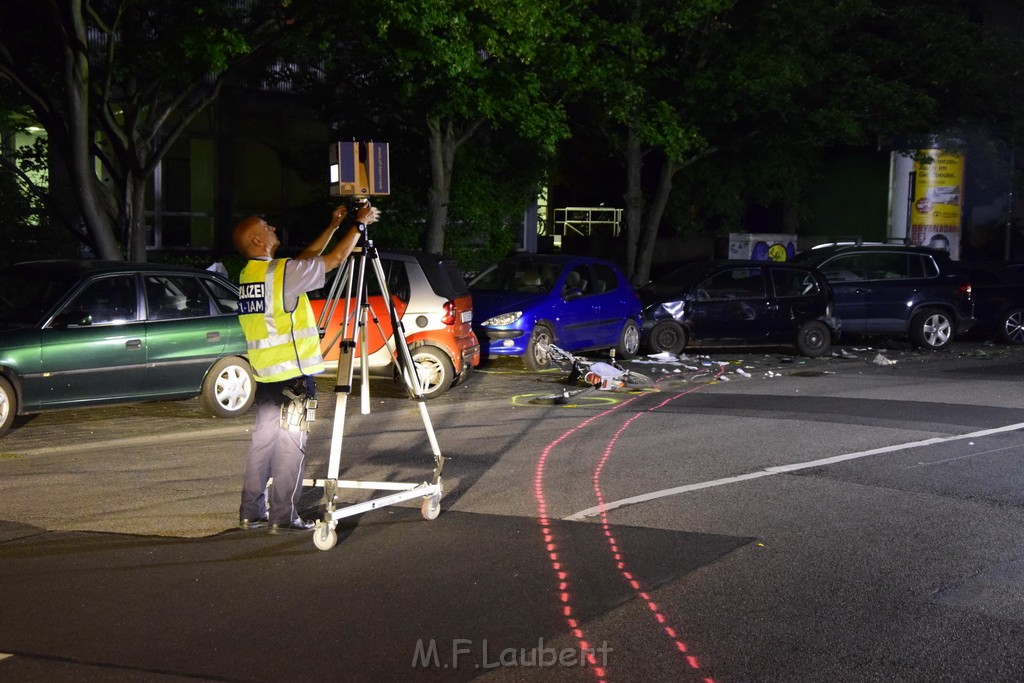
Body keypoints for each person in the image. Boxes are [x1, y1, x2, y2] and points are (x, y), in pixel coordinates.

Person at [233, 200, 380, 533]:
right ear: (257, 241)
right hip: (295, 381)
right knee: (291, 447)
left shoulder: (253, 274)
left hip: (267, 378)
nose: (272, 228)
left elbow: (304, 262)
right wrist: (359, 224)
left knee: (263, 444)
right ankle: (283, 517)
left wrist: (333, 226)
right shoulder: (281, 273)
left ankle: (250, 512)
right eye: (265, 226)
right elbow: (335, 260)